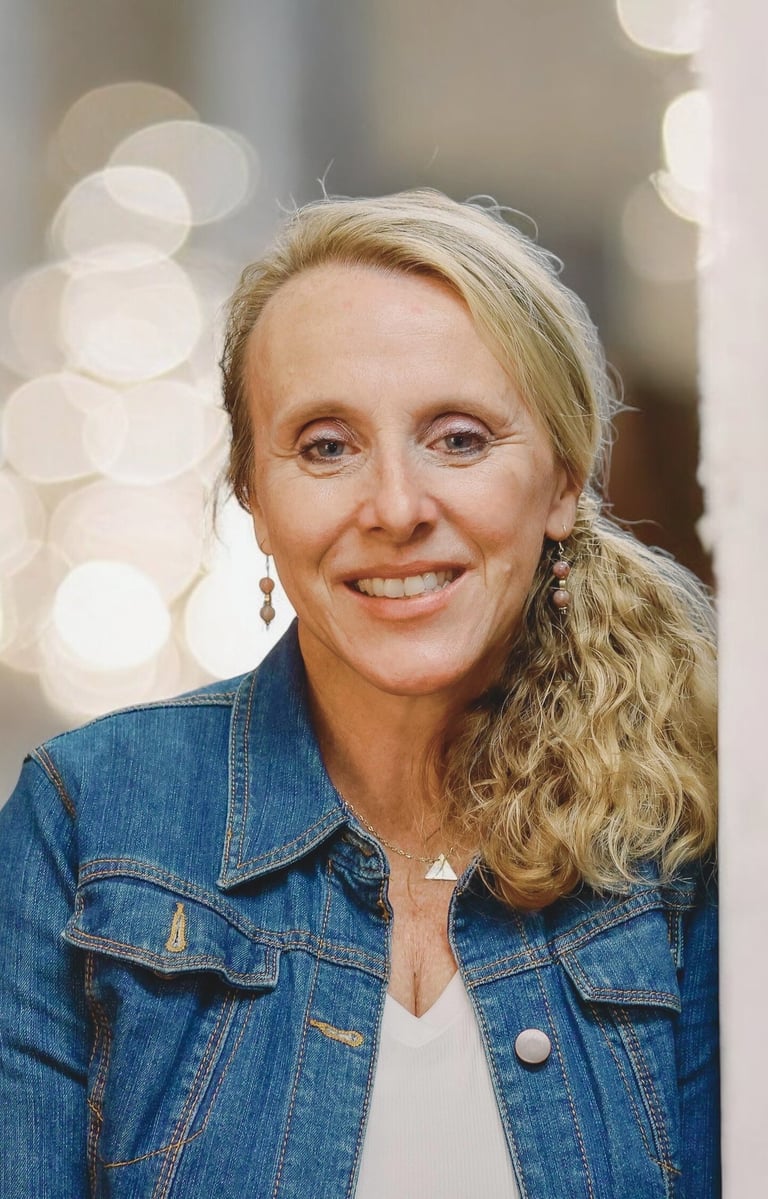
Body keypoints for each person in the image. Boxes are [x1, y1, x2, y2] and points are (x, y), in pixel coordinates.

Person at [0, 190, 718, 1198]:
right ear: (254, 497)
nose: (395, 507)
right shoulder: (87, 820)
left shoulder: (690, 834)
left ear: (563, 482)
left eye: (458, 438)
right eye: (327, 446)